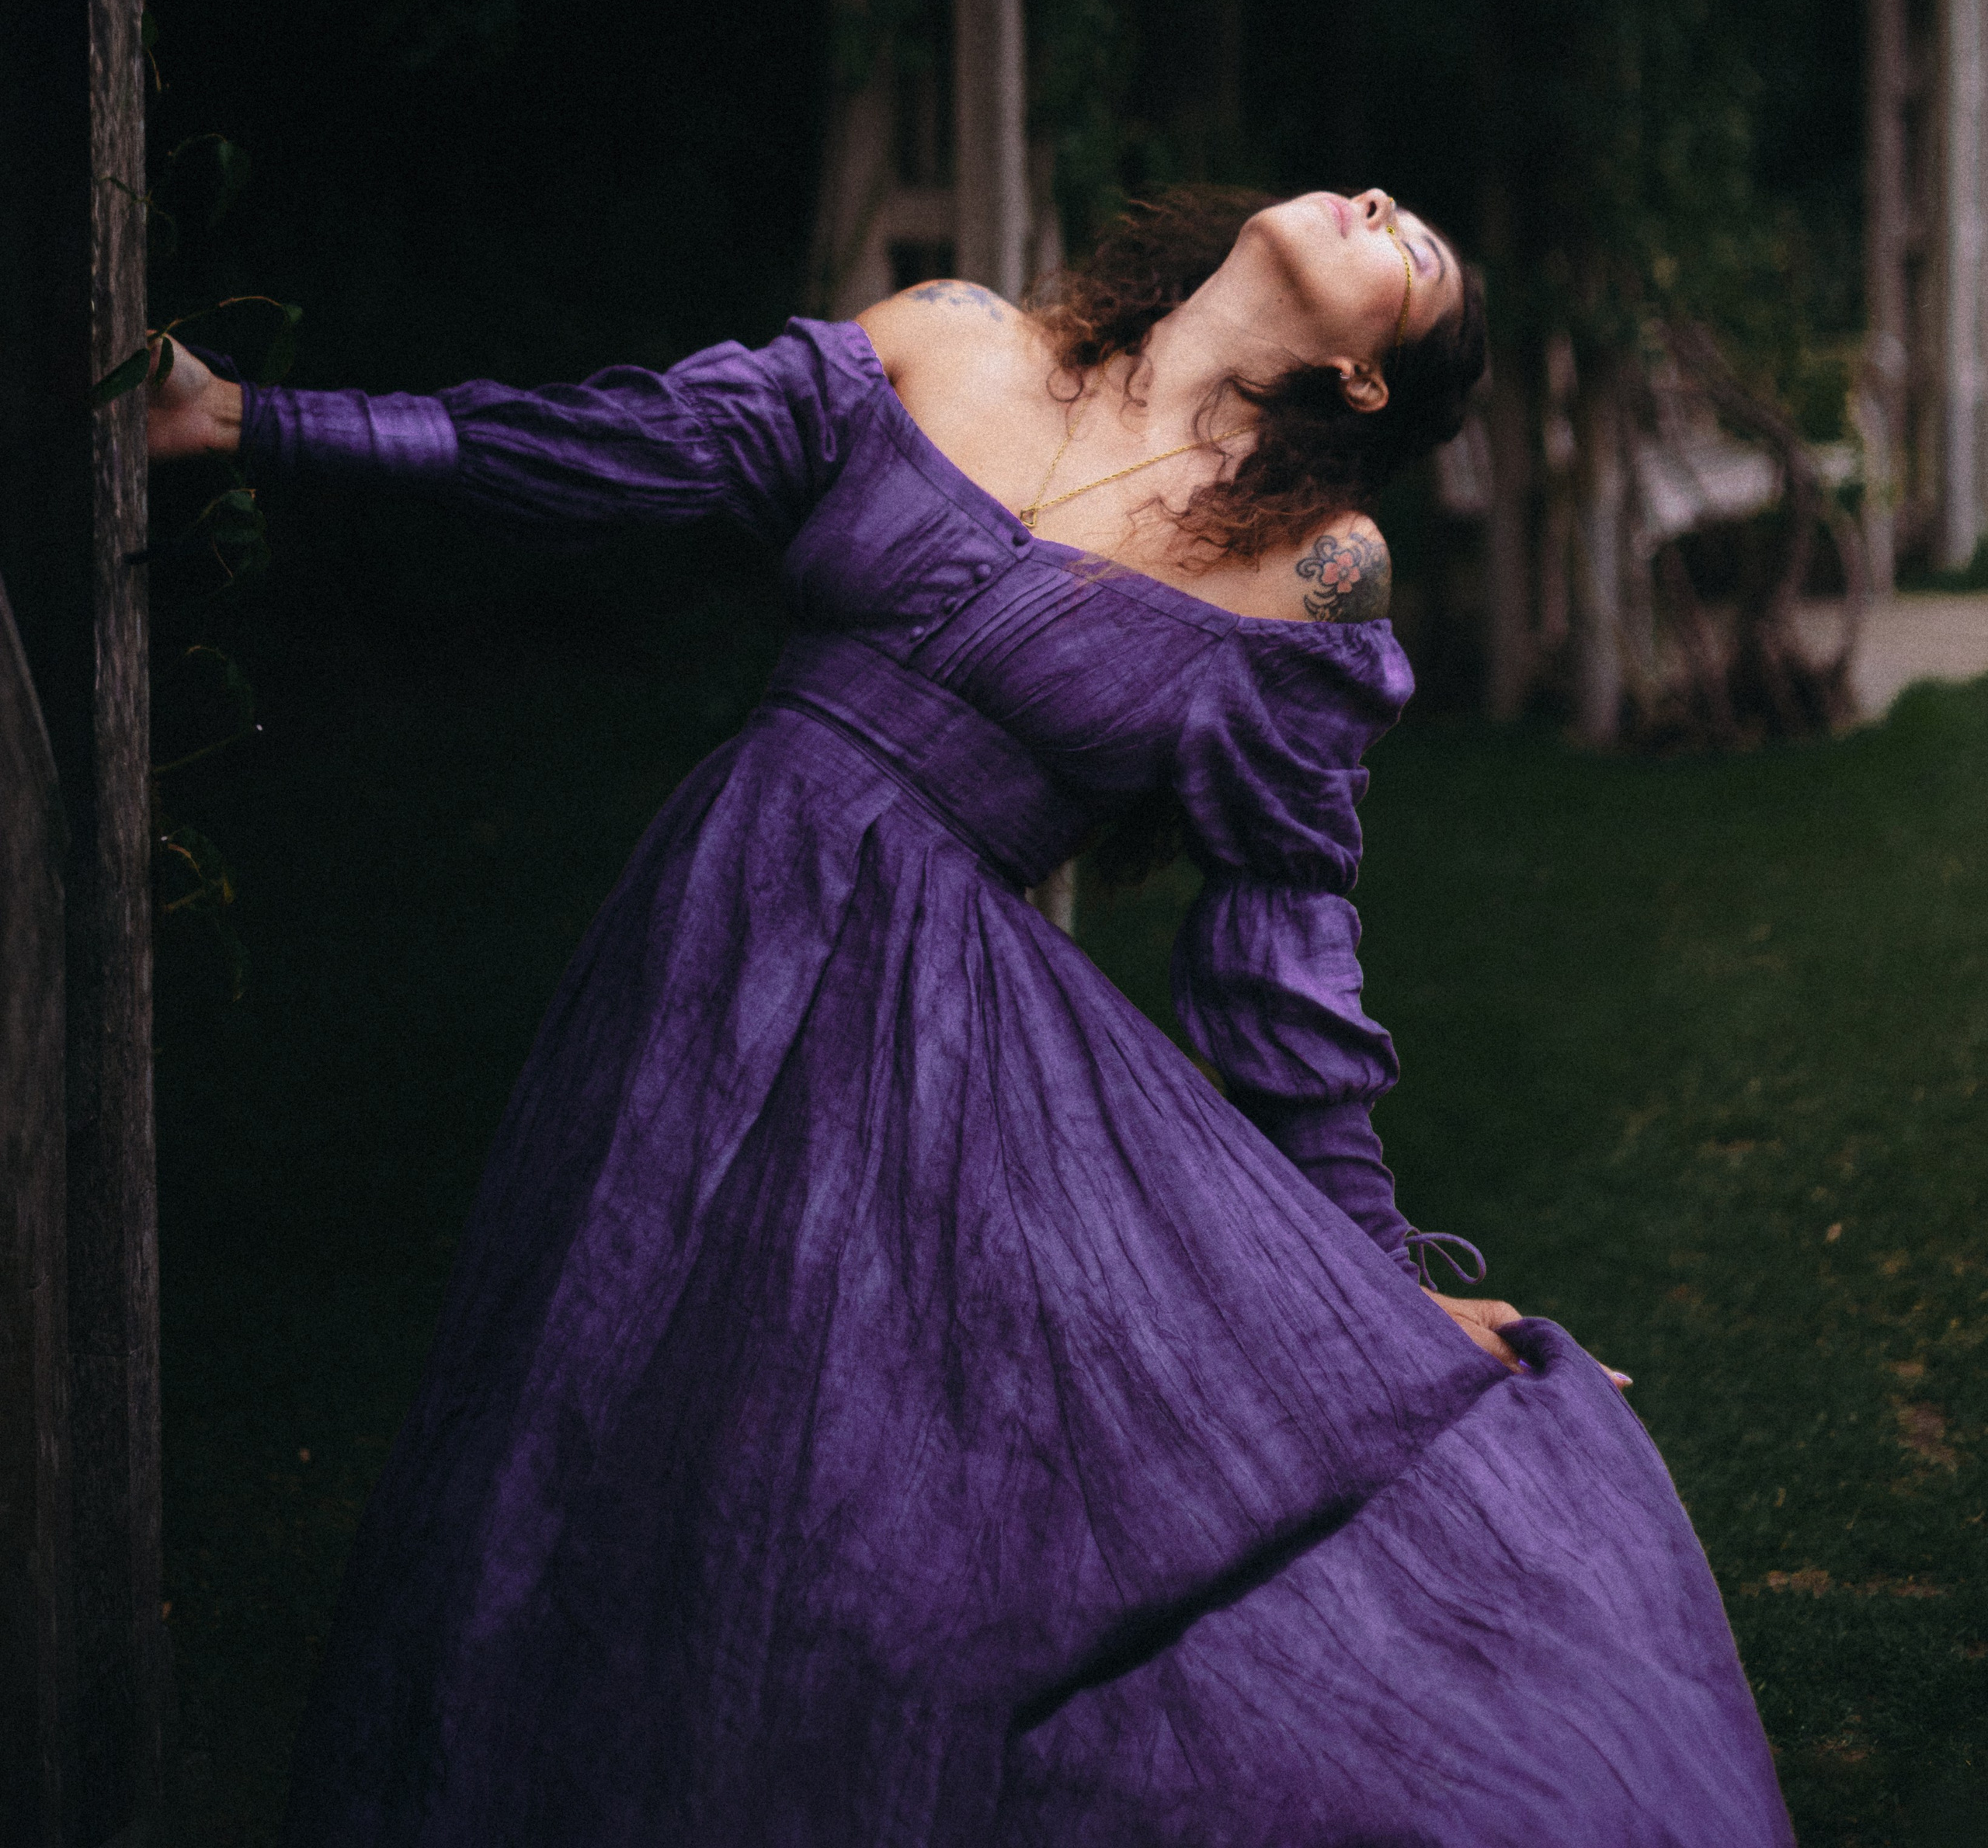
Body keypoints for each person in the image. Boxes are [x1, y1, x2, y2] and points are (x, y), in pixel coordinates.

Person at [148, 184, 1792, 1846]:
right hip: (705, 946)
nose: (1378, 202)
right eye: (1384, 198)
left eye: (1415, 252)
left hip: (941, 1052)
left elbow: (1281, 956)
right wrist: (246, 420)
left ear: (1369, 382)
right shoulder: (947, 336)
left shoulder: (1314, 565)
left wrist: (1367, 1293)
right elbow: (617, 446)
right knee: (595, 1410)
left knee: (861, 1499)